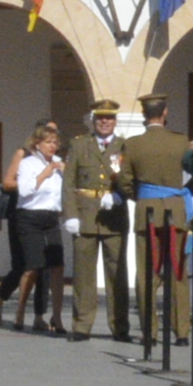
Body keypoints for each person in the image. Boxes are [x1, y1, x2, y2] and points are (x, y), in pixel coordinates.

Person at [117, 96, 191, 341]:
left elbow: (125, 181)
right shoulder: (181, 141)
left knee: (147, 272)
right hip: (176, 210)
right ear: (165, 112)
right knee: (177, 272)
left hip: (146, 210)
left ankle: (150, 332)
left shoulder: (133, 144)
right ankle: (181, 332)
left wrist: (139, 196)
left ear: (143, 114)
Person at [0, 119, 68, 330]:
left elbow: (65, 192)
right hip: (29, 217)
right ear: (37, 143)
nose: (52, 146)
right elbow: (25, 190)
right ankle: (19, 313)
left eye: (55, 141)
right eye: (48, 141)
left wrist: (65, 173)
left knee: (57, 267)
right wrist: (44, 175)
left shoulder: (59, 162)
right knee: (33, 266)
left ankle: (56, 316)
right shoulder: (28, 162)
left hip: (51, 217)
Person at [66, 103, 127, 337]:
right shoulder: (79, 144)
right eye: (100, 118)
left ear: (115, 121)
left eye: (109, 118)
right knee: (83, 276)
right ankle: (81, 326)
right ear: (93, 120)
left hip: (114, 219)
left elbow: (130, 178)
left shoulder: (123, 146)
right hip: (85, 216)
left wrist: (120, 196)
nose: (104, 122)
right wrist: (71, 215)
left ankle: (120, 326)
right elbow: (69, 184)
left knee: (117, 276)